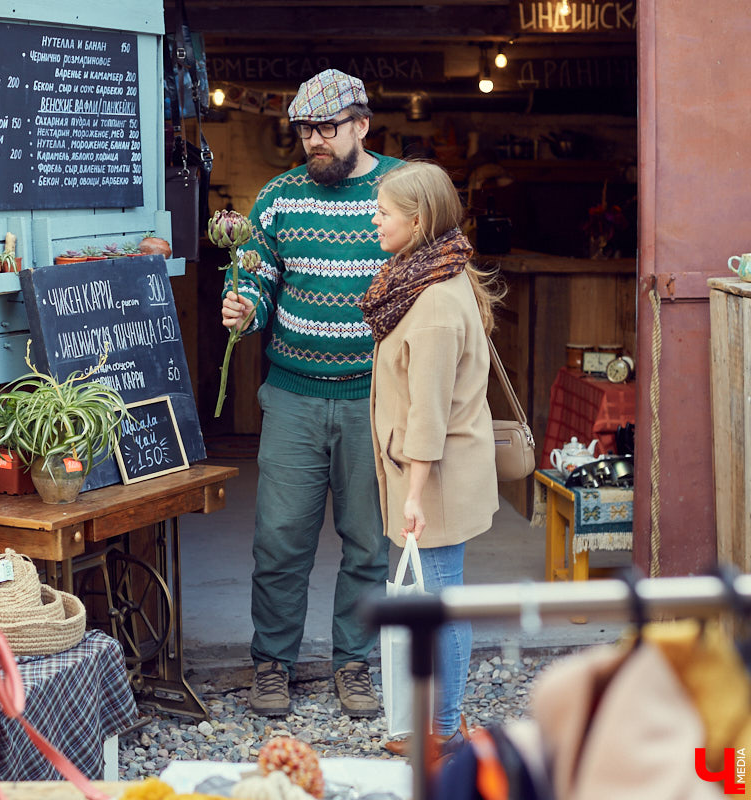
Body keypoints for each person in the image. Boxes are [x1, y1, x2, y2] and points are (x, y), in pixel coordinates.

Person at [220, 69, 403, 718]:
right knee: (279, 540)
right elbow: (258, 274)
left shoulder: (401, 191)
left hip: (374, 401)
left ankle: (354, 664)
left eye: (327, 129)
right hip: (294, 399)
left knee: (369, 542)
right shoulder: (279, 198)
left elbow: (433, 273)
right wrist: (242, 305)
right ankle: (273, 663)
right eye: (305, 131)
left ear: (362, 124)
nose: (315, 142)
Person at [357, 160, 502, 755]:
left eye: (384, 212)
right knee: (441, 596)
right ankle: (439, 721)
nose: (375, 220)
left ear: (418, 220)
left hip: (436, 480)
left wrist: (413, 494)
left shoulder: (435, 303)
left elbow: (429, 415)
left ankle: (441, 732)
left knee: (442, 600)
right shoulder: (423, 279)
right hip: (431, 474)